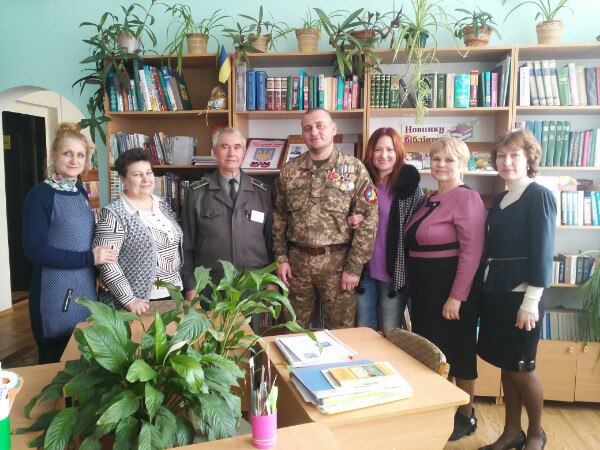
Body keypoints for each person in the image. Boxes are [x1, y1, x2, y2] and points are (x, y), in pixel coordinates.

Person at [477, 129, 555, 450]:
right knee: (507, 365)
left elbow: (543, 252)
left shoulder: (539, 195)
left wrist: (531, 301)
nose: (506, 162)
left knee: (523, 366)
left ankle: (536, 434)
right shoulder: (501, 198)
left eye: (514, 156)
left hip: (523, 296)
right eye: (501, 156)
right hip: (496, 291)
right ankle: (511, 433)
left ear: (529, 160)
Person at [404, 137, 486, 441]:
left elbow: (472, 252)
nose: (441, 164)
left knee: (460, 351)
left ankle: (466, 415)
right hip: (426, 291)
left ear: (462, 164)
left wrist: (456, 296)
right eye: (436, 158)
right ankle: (443, 411)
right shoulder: (429, 198)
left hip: (451, 289)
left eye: (449, 160)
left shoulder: (467, 198)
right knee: (437, 353)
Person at [272, 108, 378, 329]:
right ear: (303, 133)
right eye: (308, 128)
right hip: (297, 264)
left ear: (333, 129)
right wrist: (281, 258)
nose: (314, 132)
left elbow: (368, 219)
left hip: (338, 264)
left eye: (320, 126)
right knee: (292, 329)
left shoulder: (354, 169)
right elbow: (279, 217)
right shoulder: (289, 171)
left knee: (342, 331)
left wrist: (354, 267)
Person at [22, 122, 117, 363]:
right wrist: (89, 258)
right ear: (53, 154)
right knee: (55, 366)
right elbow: (35, 250)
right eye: (67, 153)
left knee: (85, 364)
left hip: (85, 291)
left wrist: (99, 271)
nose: (74, 160)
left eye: (80, 155)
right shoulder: (40, 195)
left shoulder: (80, 193)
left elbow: (83, 240)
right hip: (54, 296)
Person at [347, 127, 424, 335]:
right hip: (363, 270)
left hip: (395, 272)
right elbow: (340, 217)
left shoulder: (409, 188)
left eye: (389, 149)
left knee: (392, 331)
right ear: (370, 152)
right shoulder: (358, 184)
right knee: (364, 329)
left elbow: (417, 230)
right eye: (378, 149)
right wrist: (349, 220)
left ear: (398, 152)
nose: (383, 155)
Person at [181, 127, 273, 296]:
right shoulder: (196, 193)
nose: (232, 153)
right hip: (211, 286)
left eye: (237, 147)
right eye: (225, 147)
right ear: (214, 151)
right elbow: (186, 245)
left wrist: (271, 282)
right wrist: (190, 286)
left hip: (254, 285)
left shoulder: (263, 193)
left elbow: (271, 243)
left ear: (244, 152)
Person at [94, 148, 183, 316]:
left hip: (174, 293)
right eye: (137, 174)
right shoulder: (113, 213)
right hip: (138, 303)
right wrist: (129, 300)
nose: (146, 179)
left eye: (148, 173)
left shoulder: (161, 204)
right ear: (123, 180)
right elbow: (106, 263)